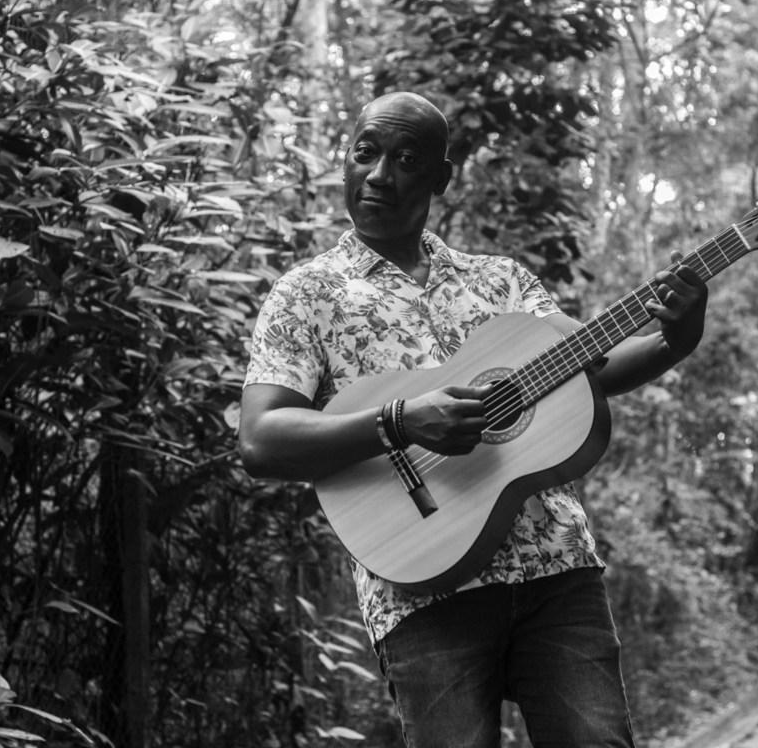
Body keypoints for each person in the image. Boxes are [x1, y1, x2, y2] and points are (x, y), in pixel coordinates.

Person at [239, 91, 708, 747]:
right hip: (422, 585)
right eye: (366, 153)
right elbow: (261, 440)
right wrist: (400, 421)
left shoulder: (501, 281)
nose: (379, 175)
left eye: (406, 160)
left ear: (441, 178)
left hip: (553, 566)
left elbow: (588, 370)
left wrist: (677, 337)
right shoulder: (307, 295)